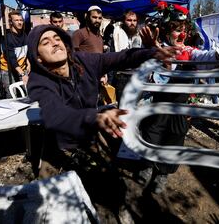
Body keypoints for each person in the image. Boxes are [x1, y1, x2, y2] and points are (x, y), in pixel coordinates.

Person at [26, 24, 176, 174]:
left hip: (90, 133)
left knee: (104, 179)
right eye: (46, 42)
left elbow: (119, 58)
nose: (55, 43)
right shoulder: (38, 80)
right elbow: (55, 115)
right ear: (37, 57)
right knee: (51, 191)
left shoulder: (83, 61)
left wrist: (150, 53)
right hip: (62, 142)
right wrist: (95, 117)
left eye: (57, 38)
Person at [136, 2, 219, 193]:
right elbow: (156, 72)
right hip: (158, 104)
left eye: (183, 30)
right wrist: (156, 52)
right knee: (152, 133)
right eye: (176, 31)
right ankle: (147, 166)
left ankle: (163, 173)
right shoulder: (154, 48)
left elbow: (206, 57)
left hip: (180, 107)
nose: (181, 35)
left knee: (175, 137)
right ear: (166, 32)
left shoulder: (190, 51)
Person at [0, 11, 30, 98]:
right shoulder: (7, 38)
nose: (19, 22)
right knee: (12, 95)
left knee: (27, 93)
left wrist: (28, 63)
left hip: (22, 68)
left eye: (21, 20)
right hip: (8, 70)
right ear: (11, 22)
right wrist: (22, 74)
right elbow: (11, 59)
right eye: (16, 20)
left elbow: (26, 52)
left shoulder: (24, 35)